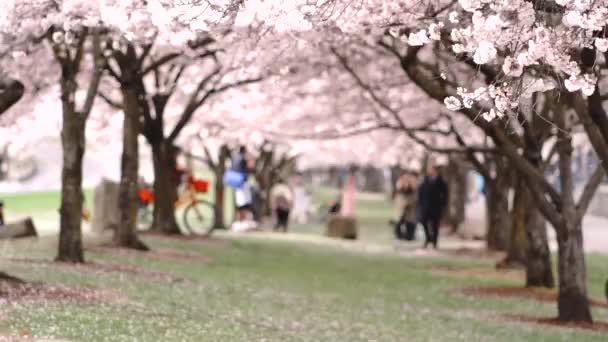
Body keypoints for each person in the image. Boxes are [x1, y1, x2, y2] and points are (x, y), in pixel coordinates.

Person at [417, 164, 448, 249]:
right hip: (425, 207)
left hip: (436, 207)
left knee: (435, 225)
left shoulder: (441, 181)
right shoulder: (425, 180)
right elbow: (420, 192)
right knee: (424, 222)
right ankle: (428, 238)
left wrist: (443, 205)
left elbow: (445, 194)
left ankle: (434, 242)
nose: (430, 171)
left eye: (431, 170)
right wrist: (420, 204)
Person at [393, 172, 418, 241]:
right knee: (399, 221)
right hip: (402, 207)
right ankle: (400, 235)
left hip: (411, 208)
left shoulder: (413, 186)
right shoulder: (401, 186)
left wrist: (408, 203)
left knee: (410, 222)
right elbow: (399, 195)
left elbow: (414, 196)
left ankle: (410, 235)